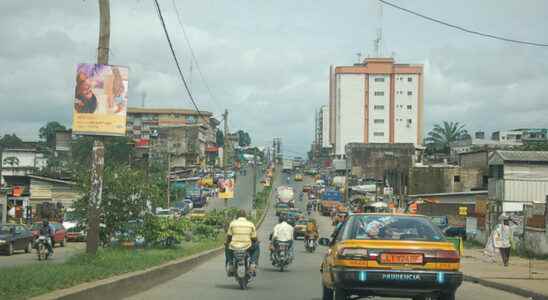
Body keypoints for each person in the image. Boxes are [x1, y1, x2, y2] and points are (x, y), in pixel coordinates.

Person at [225, 209, 260, 276]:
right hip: (247, 246)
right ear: (245, 216)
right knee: (257, 247)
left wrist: (226, 242)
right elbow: (254, 238)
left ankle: (231, 264)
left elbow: (229, 237)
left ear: (237, 216)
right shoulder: (250, 224)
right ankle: (252, 263)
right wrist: (257, 242)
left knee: (227, 247)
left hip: (234, 246)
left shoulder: (232, 223)